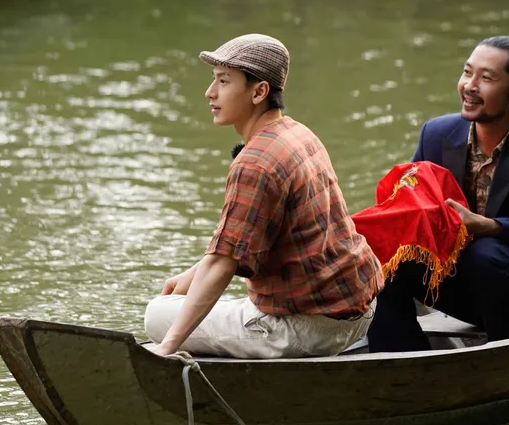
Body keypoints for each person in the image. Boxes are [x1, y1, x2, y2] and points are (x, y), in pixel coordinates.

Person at [144, 33, 382, 359]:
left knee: (157, 314)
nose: (210, 93)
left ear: (259, 92)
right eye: (214, 79)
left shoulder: (255, 163)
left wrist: (168, 347)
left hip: (311, 329)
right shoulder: (298, 133)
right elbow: (238, 245)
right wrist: (193, 274)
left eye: (224, 81)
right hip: (359, 313)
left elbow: (224, 263)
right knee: (187, 299)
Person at [367, 36, 509, 350]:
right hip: (463, 284)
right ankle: (400, 363)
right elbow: (415, 206)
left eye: (486, 78)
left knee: (486, 253)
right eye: (467, 73)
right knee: (384, 255)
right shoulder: (436, 134)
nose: (470, 86)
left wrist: (487, 227)